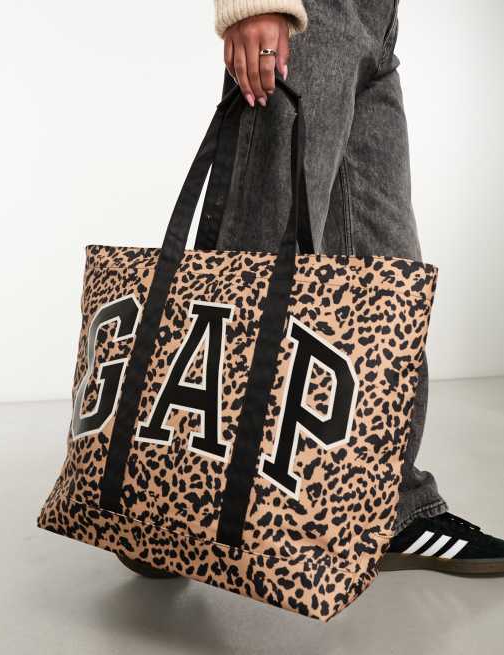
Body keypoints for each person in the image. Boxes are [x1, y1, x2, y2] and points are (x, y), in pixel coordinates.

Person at [212, 0, 504, 573]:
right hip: (307, 14)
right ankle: (193, 489)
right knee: (260, 265)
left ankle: (389, 508)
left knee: (389, 278)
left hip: (377, 23)